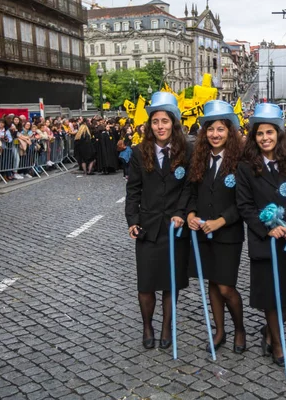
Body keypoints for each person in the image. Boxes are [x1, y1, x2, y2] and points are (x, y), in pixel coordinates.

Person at [236, 103, 286, 367]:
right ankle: (277, 344)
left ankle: (268, 331)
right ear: (254, 137)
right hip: (264, 242)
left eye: (270, 132)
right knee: (270, 296)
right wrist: (269, 227)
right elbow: (245, 206)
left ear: (278, 134)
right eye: (260, 134)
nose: (265, 138)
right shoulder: (245, 168)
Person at [125, 92, 192, 350]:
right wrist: (132, 220)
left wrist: (182, 212)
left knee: (169, 283)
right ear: (149, 125)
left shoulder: (187, 150)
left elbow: (189, 187)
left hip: (174, 228)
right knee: (146, 283)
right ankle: (147, 325)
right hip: (148, 227)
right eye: (155, 122)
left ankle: (166, 326)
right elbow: (133, 191)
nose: (160, 126)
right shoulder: (138, 152)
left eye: (165, 121)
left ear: (173, 123)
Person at [186, 100, 246, 354]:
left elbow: (244, 201)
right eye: (210, 129)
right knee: (211, 282)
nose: (215, 134)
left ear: (229, 131)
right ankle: (219, 330)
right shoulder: (198, 158)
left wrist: (221, 221)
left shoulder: (241, 162)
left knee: (225, 286)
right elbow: (190, 192)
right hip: (202, 232)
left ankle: (240, 329)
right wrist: (189, 213)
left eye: (220, 129)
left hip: (228, 233)